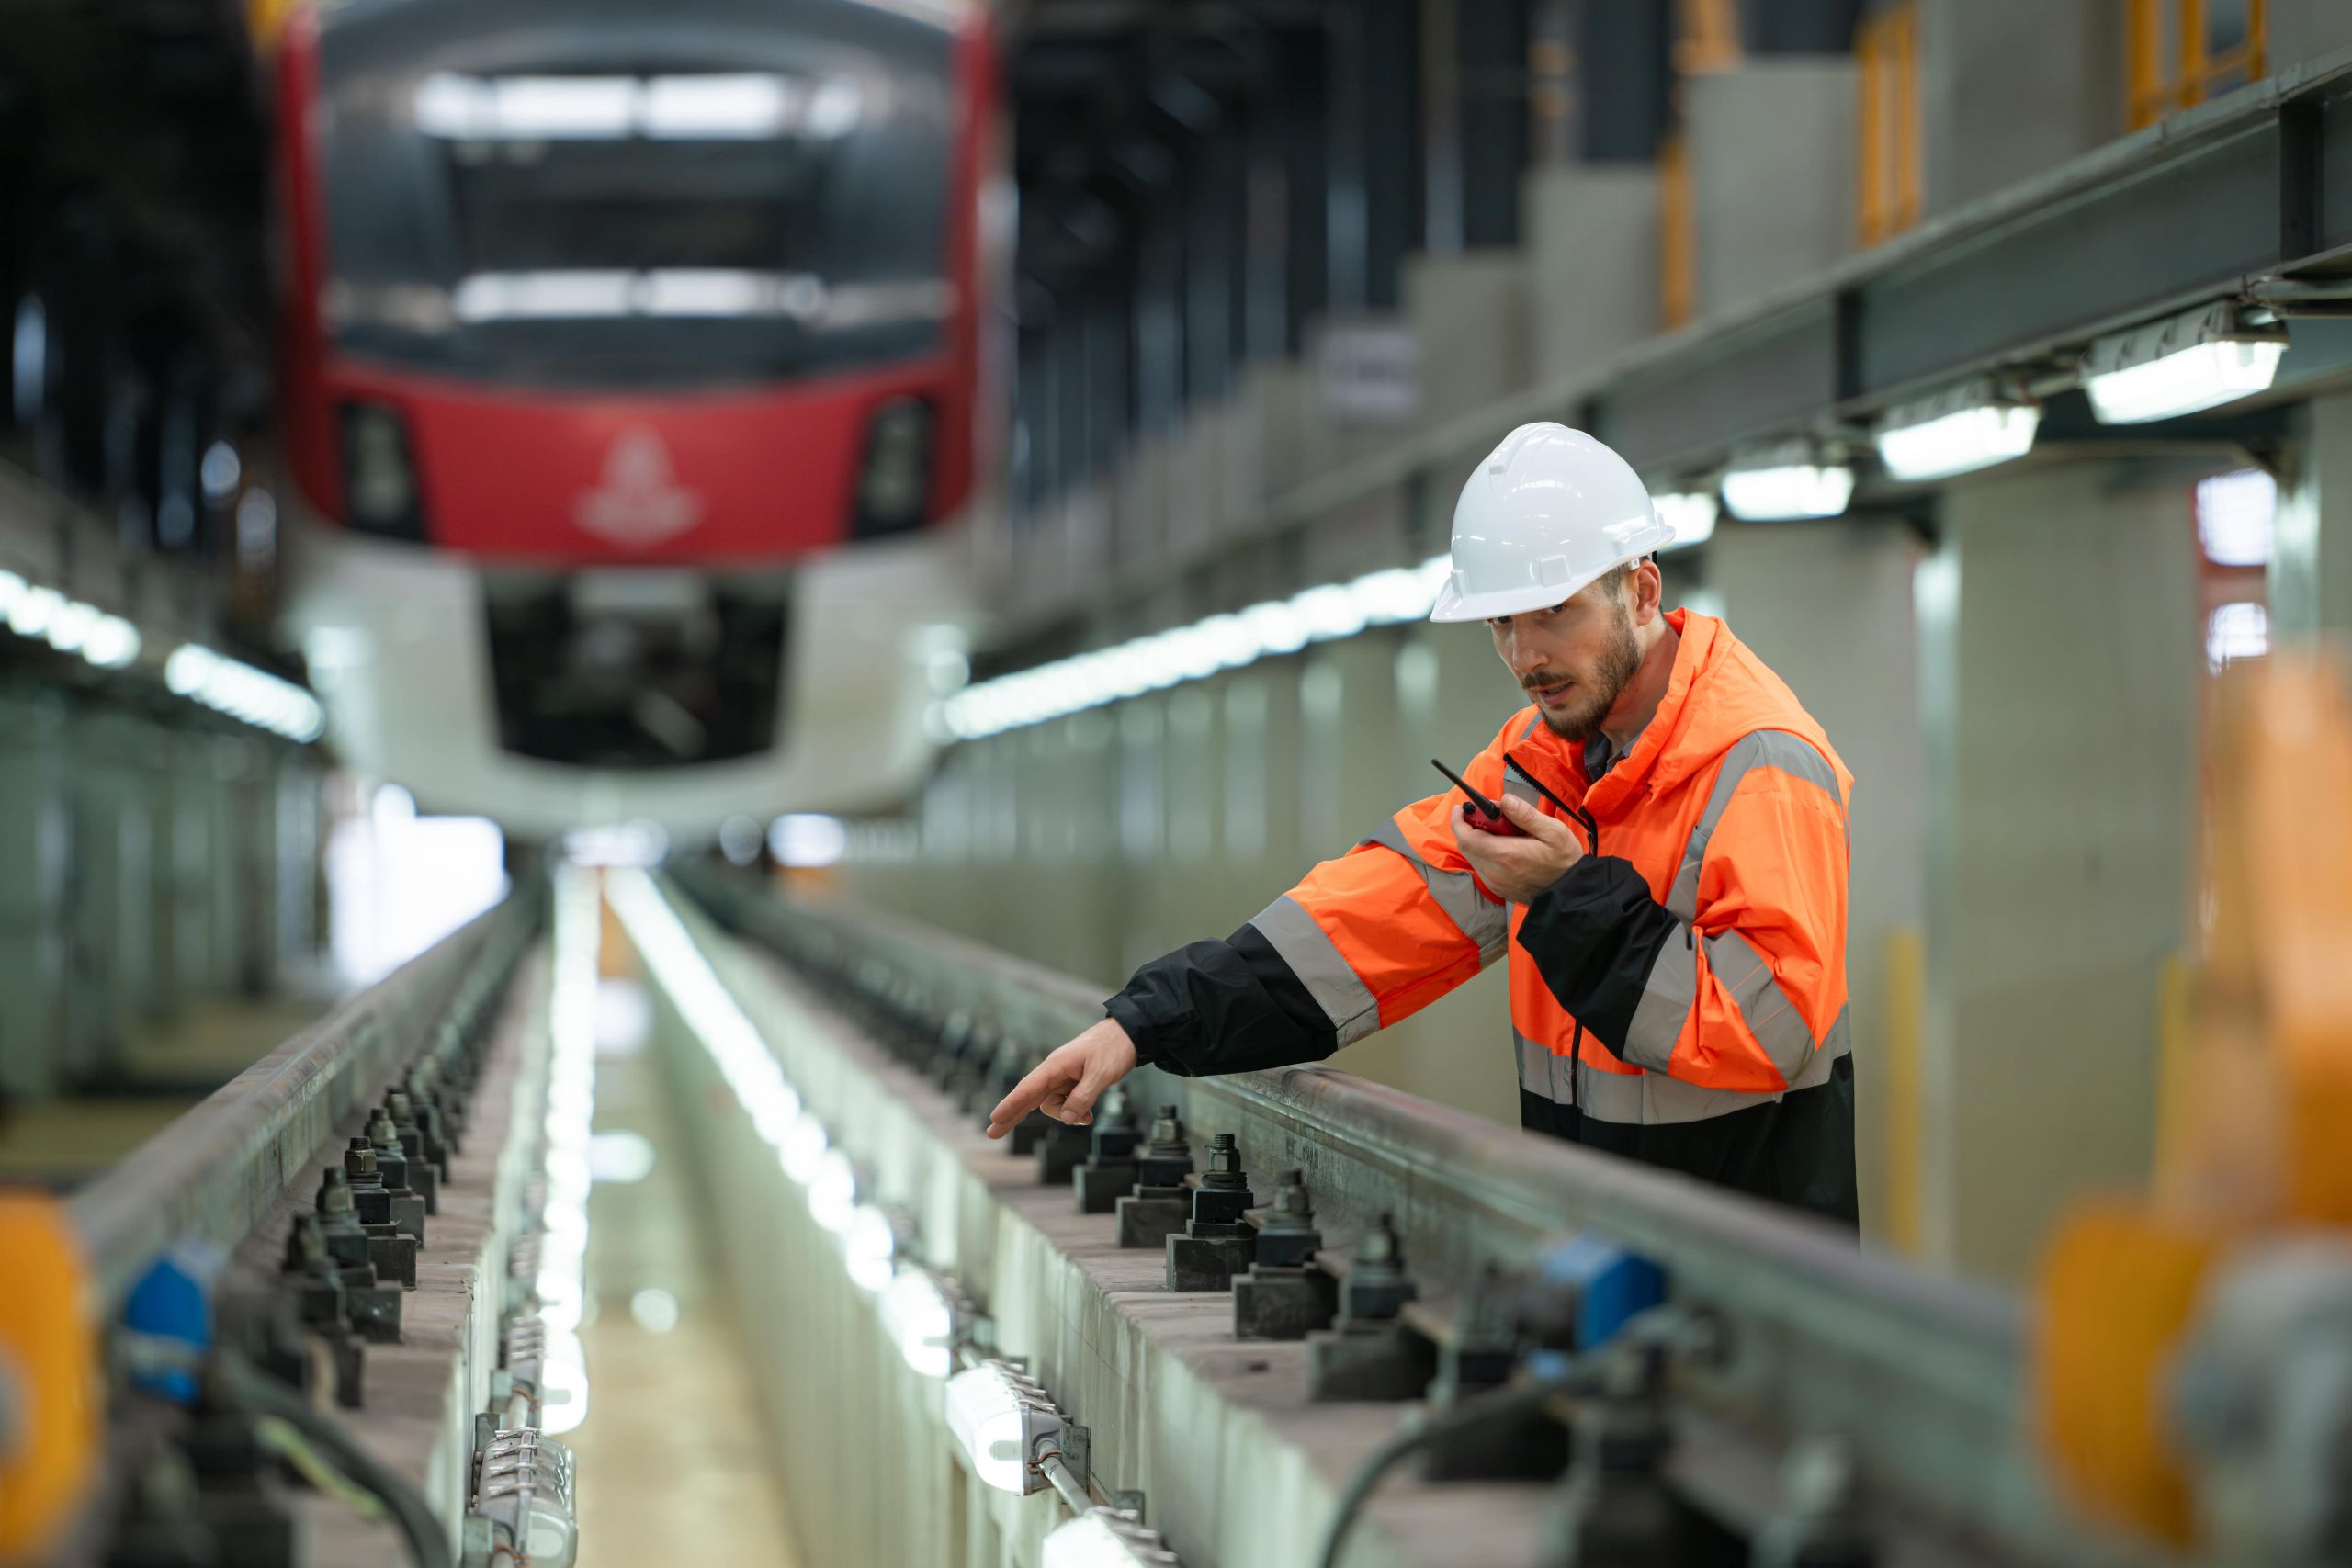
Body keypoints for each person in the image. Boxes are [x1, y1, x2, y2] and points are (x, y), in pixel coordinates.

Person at [987, 423, 1858, 1226]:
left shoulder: (1759, 762)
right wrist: (1145, 1022)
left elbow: (1769, 1030)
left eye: (1554, 612)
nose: (1526, 655)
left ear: (1641, 590)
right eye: (1502, 621)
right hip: (1601, 1242)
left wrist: (1567, 899)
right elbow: (1362, 927)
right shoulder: (1539, 764)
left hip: (1754, 1279)